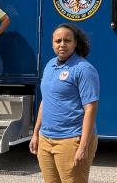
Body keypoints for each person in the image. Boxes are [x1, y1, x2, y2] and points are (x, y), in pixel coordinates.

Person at [29, 24, 100, 183]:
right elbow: (45, 101)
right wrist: (35, 134)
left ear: (76, 43)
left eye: (67, 40)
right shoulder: (49, 65)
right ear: (52, 43)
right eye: (58, 40)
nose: (62, 44)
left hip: (71, 139)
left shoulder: (84, 69)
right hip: (46, 139)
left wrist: (83, 147)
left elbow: (91, 108)